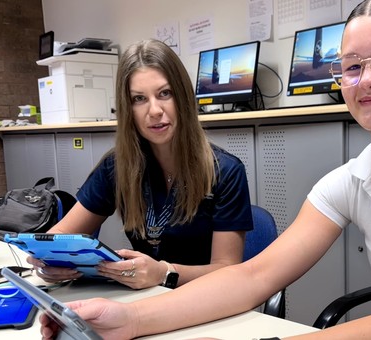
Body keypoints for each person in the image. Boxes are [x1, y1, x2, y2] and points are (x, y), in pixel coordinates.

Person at [40, 0, 371, 338]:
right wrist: (127, 319)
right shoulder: (350, 181)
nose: (368, 78)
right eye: (352, 66)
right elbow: (253, 277)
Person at [28, 39, 253, 290]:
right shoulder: (117, 167)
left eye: (164, 94)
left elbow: (227, 270)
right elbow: (57, 238)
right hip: (143, 301)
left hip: (204, 301)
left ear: (183, 97)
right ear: (128, 109)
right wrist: (44, 259)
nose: (154, 110)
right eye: (139, 99)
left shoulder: (225, 171)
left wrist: (164, 272)